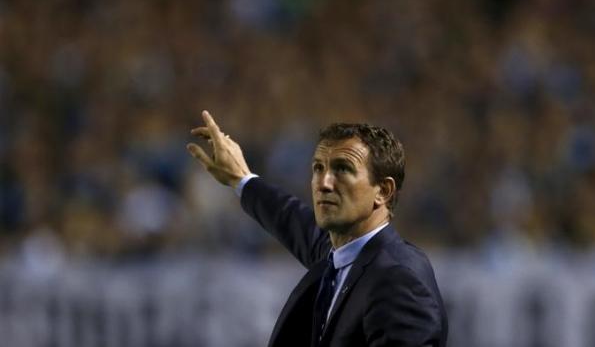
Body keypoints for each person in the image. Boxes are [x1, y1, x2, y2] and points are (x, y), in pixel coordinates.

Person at [187, 110, 448, 347]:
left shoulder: (398, 277)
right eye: (318, 168)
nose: (323, 183)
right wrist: (240, 179)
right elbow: (292, 220)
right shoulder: (342, 257)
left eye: (343, 169)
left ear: (383, 190)